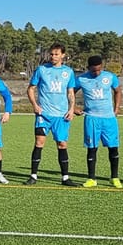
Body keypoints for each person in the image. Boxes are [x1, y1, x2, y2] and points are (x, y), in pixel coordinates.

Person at [26, 43, 79, 185]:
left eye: (56, 54)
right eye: (51, 54)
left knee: (62, 144)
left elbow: (70, 93)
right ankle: (33, 176)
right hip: (44, 115)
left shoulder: (68, 72)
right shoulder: (42, 70)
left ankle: (65, 178)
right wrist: (35, 105)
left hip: (61, 116)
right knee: (39, 142)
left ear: (63, 55)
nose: (53, 56)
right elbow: (30, 89)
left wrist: (71, 109)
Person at [77, 55, 123, 188]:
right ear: (88, 68)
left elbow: (118, 91)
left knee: (113, 148)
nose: (96, 73)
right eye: (93, 70)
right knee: (92, 148)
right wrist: (73, 108)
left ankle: (114, 177)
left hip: (109, 119)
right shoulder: (81, 79)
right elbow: (69, 92)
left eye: (99, 69)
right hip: (91, 118)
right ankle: (91, 178)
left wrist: (116, 108)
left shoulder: (110, 77)